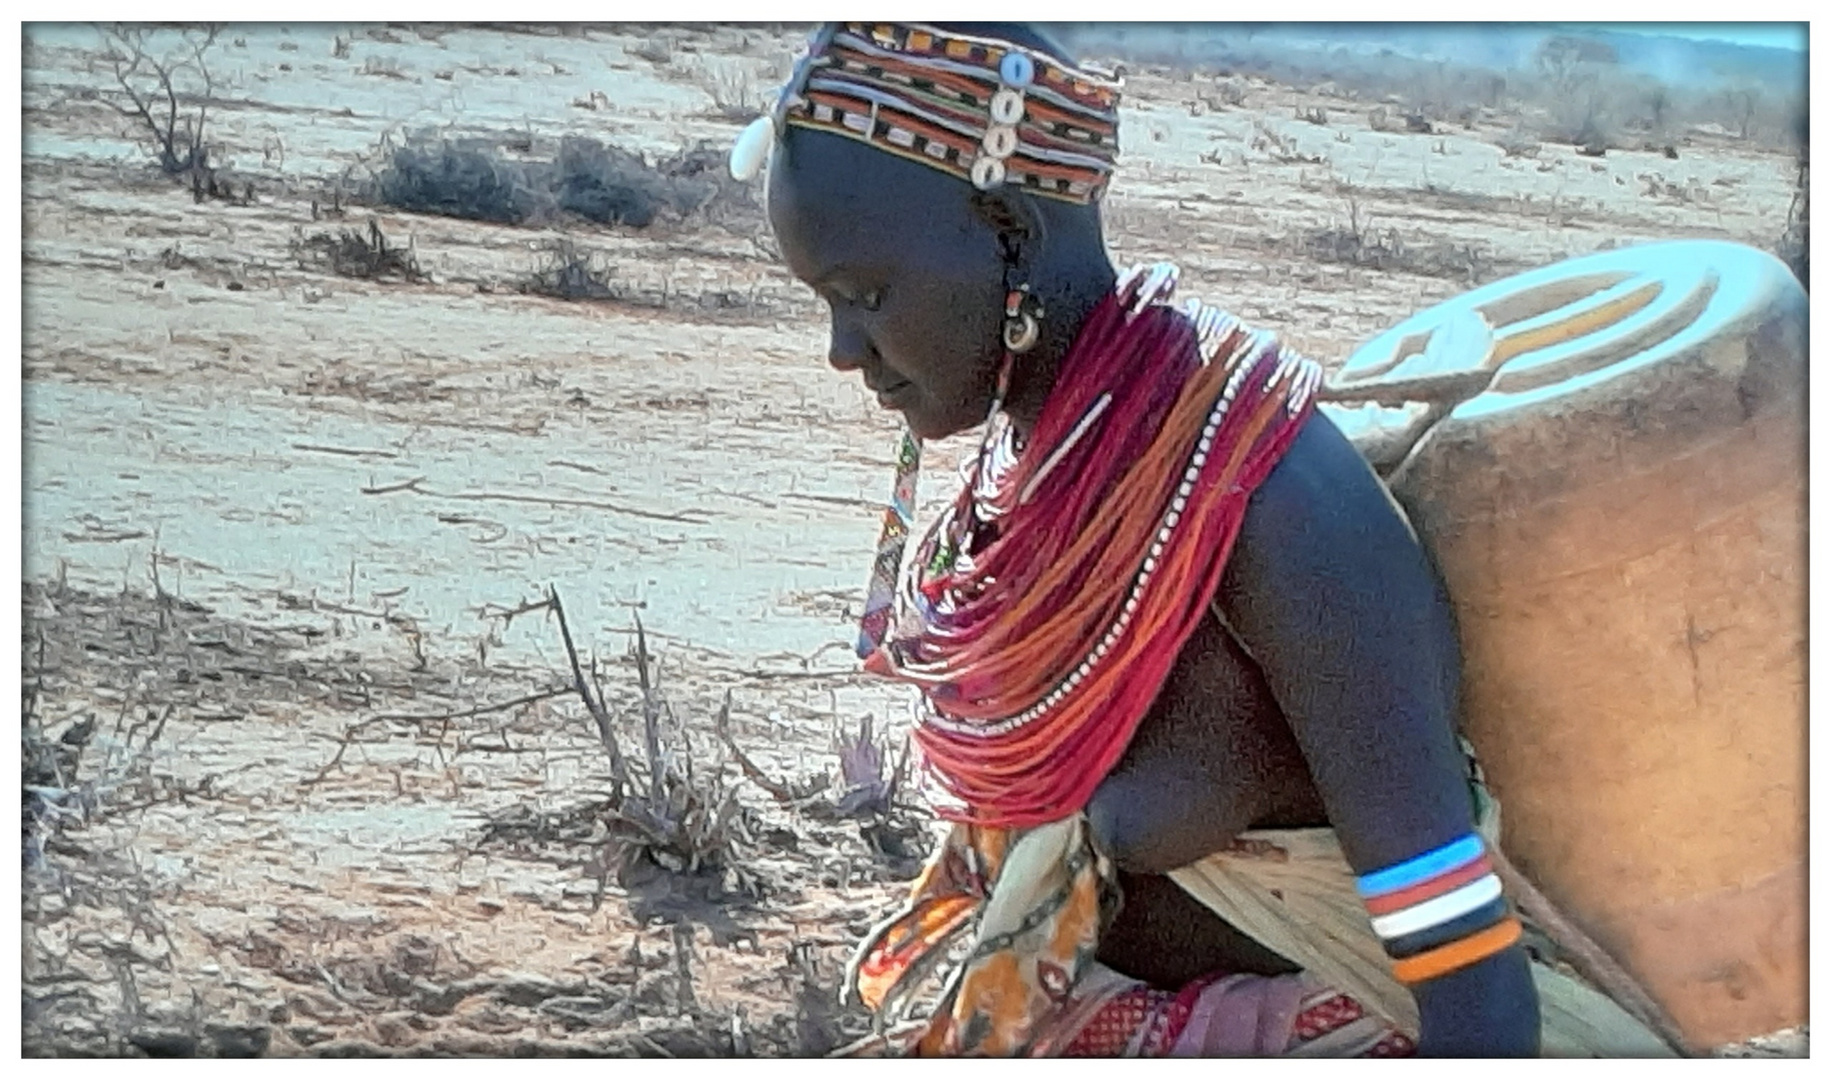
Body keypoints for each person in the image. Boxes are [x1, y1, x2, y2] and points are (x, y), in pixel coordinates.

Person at [731, 22, 1545, 1057]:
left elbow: (1474, 985)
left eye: (864, 295)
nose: (844, 351)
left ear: (1010, 234)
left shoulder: (1275, 509)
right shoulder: (1037, 466)